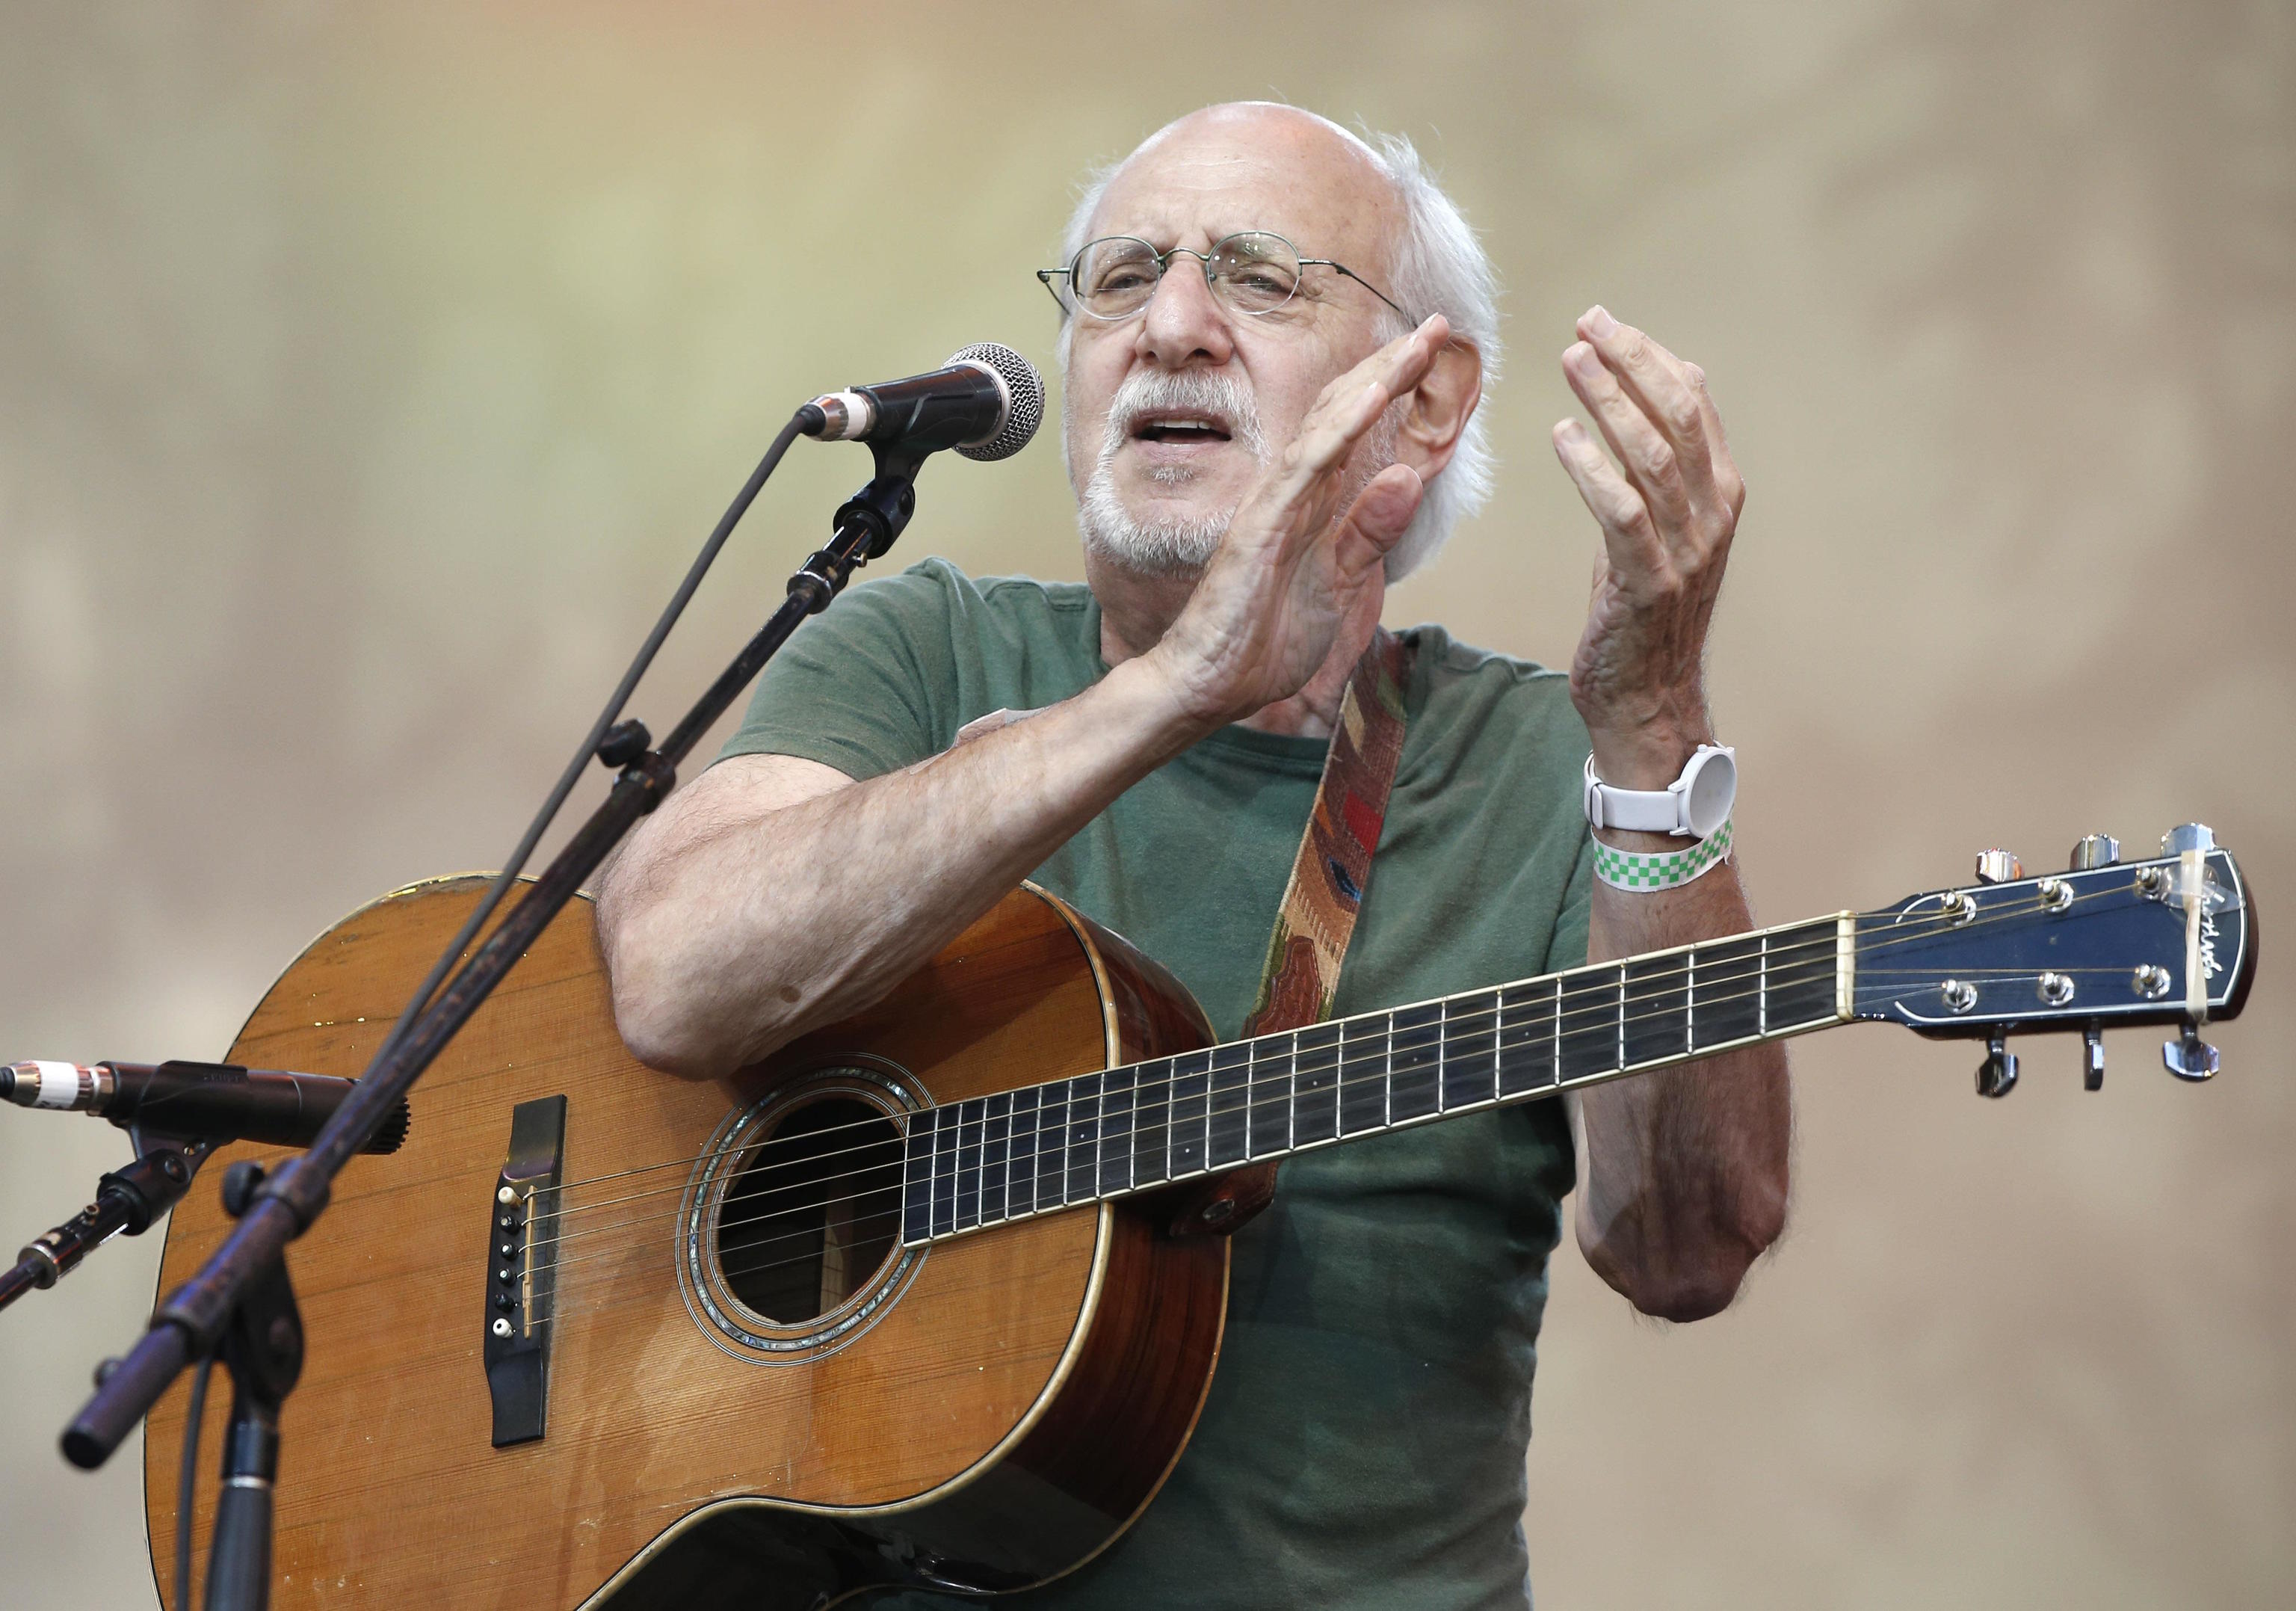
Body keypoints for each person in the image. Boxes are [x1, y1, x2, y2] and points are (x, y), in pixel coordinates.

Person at [597, 102, 1789, 1610]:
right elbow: (671, 972)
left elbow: (1689, 1242)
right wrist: (1171, 688)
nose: (1170, 324)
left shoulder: (1550, 767)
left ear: (1420, 401)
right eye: (1120, 276)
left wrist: (1656, 726)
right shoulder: (927, 647)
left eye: (1260, 277)